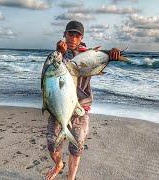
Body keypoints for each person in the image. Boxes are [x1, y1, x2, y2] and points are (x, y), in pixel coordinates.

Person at [45, 20, 122, 180]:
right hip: (59, 106)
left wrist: (112, 53)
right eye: (70, 34)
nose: (73, 38)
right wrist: (60, 53)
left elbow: (101, 57)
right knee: (52, 143)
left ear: (81, 38)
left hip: (81, 107)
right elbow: (49, 76)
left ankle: (70, 178)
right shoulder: (56, 56)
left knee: (76, 146)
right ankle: (58, 164)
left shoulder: (88, 55)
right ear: (64, 35)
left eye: (77, 35)